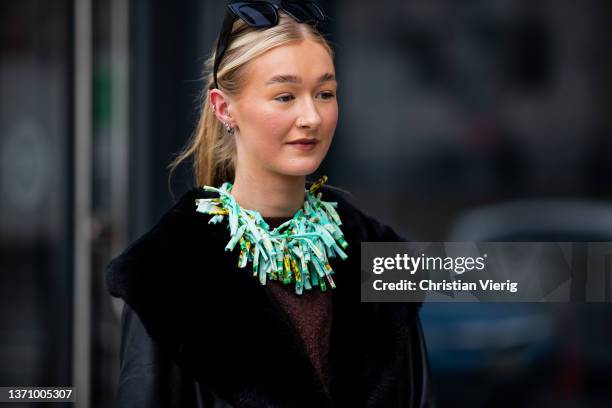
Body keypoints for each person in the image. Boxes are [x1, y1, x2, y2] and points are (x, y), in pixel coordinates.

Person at [105, 1, 434, 407]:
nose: (311, 116)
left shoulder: (378, 257)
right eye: (285, 96)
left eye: (325, 93)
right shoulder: (165, 277)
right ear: (224, 108)